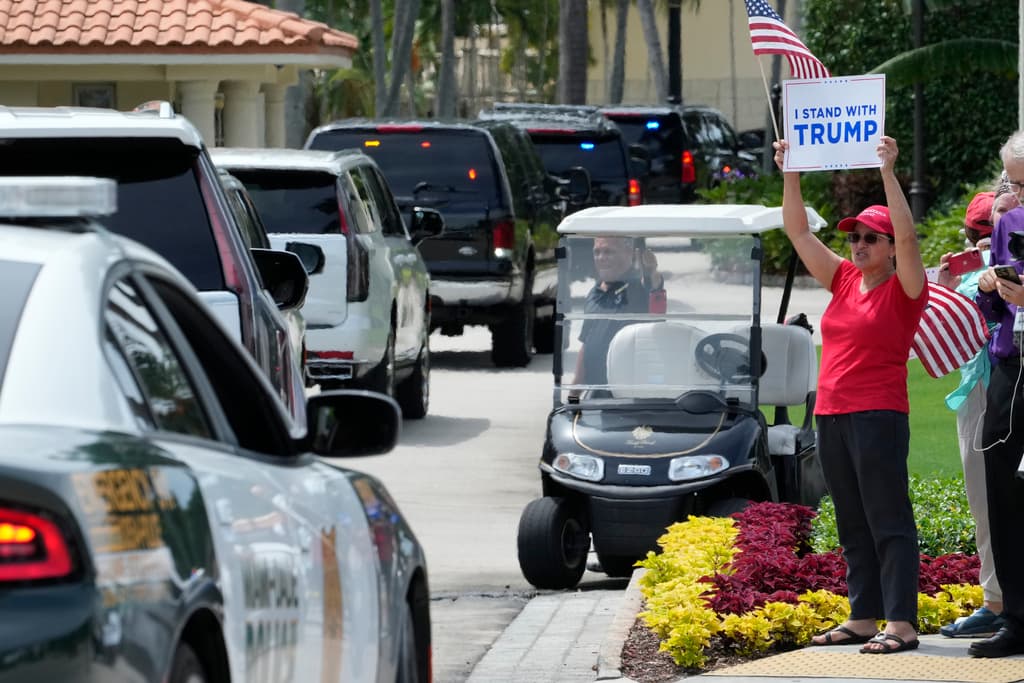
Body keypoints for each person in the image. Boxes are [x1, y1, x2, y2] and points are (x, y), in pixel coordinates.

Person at [773, 136, 927, 655]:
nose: (858, 244)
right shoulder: (843, 279)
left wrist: (888, 171)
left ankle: (902, 622)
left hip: (878, 415)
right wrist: (789, 171)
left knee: (888, 518)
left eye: (869, 237)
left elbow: (909, 242)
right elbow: (797, 230)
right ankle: (863, 614)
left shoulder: (906, 288)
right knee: (850, 518)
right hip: (832, 413)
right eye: (855, 236)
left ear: (886, 247)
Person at [937, 184, 1019, 639]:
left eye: (999, 224)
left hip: (1013, 390)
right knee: (984, 502)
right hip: (978, 395)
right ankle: (996, 600)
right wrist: (947, 285)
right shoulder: (965, 279)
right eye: (979, 230)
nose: (987, 238)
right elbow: (930, 340)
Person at [967, 129, 1024, 658]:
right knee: (1002, 485)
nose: (1015, 194)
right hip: (1012, 365)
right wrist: (993, 290)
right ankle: (1017, 618)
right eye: (1011, 181)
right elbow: (998, 311)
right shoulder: (1007, 222)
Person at [571, 236, 664, 388]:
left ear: (629, 253)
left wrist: (651, 270)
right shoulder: (594, 293)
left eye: (609, 252)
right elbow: (587, 342)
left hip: (630, 394)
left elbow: (654, 284)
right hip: (596, 393)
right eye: (597, 252)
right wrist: (574, 394)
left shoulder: (638, 288)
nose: (601, 258)